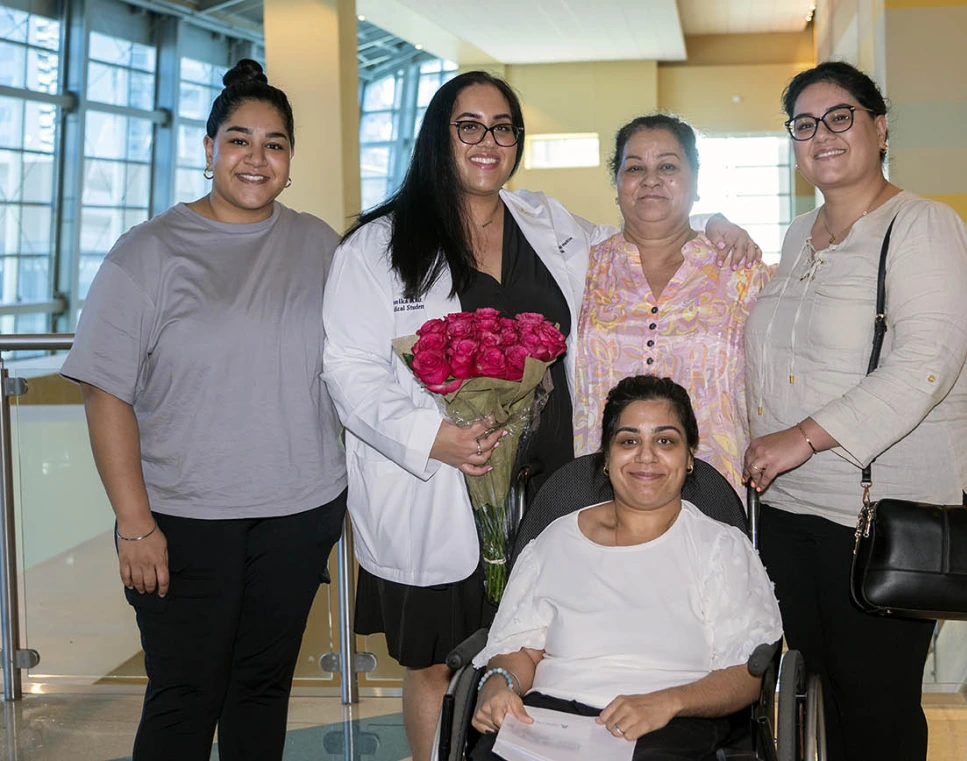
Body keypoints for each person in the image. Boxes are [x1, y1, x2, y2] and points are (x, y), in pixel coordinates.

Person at [321, 71, 759, 761]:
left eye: (503, 128)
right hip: (441, 488)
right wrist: (436, 439)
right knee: (440, 659)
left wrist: (716, 223)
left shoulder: (545, 223)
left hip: (554, 491)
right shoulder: (376, 248)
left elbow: (644, 227)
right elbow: (347, 370)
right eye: (469, 126)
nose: (488, 142)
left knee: (540, 648)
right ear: (439, 135)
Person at [61, 60, 347, 761]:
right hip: (183, 521)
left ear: (289, 159)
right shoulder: (148, 253)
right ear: (209, 148)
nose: (257, 158)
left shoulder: (318, 244)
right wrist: (135, 524)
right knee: (185, 694)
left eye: (274, 143)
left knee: (262, 687)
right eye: (239, 140)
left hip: (298, 512)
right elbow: (107, 393)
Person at [741, 61, 967, 761]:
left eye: (840, 116)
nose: (822, 134)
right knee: (815, 691)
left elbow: (925, 366)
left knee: (875, 703)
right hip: (789, 510)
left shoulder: (923, 227)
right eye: (804, 124)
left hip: (881, 515)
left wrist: (806, 437)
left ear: (879, 128)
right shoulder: (796, 235)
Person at [470, 375, 783, 761]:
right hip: (551, 721)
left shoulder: (719, 548)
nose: (646, 456)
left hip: (670, 723)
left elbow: (749, 673)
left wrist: (667, 702)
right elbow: (519, 647)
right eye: (629, 441)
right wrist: (499, 684)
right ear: (607, 457)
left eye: (665, 440)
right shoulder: (554, 542)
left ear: (689, 458)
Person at [574, 114, 771, 494]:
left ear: (696, 182)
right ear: (616, 184)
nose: (651, 179)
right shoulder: (580, 270)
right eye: (635, 168)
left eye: (667, 166)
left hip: (713, 493)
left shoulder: (742, 272)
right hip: (599, 494)